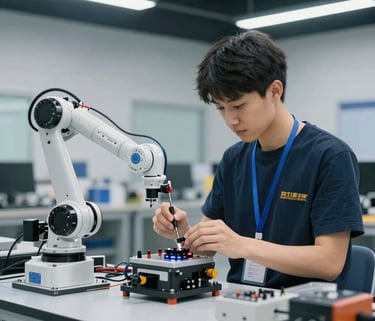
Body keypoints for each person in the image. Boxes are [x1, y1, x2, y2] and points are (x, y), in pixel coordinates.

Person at [152, 30, 364, 289]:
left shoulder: (330, 157)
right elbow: (205, 252)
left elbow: (330, 263)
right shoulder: (233, 159)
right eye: (221, 108)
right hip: (238, 301)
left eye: (239, 106)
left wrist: (244, 245)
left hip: (303, 307)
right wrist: (184, 233)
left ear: (275, 90)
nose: (231, 120)